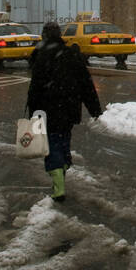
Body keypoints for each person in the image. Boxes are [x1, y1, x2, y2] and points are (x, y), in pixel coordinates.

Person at [25, 22, 102, 203]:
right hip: (69, 107)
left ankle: (58, 184)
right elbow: (86, 84)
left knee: (51, 143)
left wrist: (33, 111)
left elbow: (35, 87)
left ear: (44, 36)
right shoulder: (71, 54)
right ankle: (63, 167)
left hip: (48, 108)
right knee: (64, 139)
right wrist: (94, 109)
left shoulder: (41, 56)